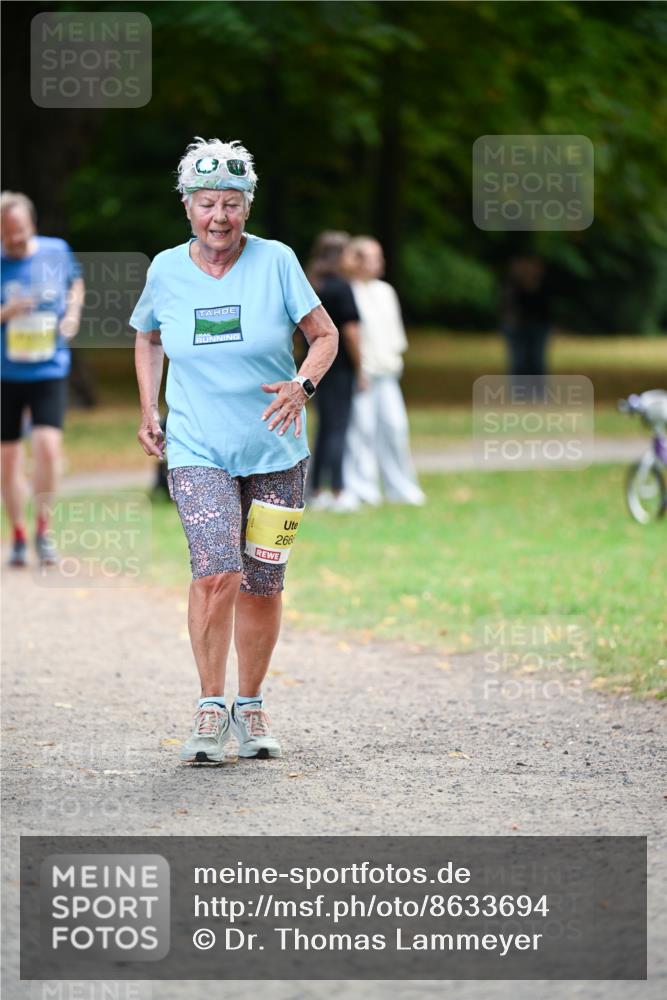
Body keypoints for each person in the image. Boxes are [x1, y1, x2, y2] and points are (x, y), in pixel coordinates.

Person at [131, 137, 338, 764]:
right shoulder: (166, 269)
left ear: (247, 207)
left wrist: (302, 386)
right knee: (216, 569)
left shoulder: (277, 261)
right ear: (187, 206)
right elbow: (149, 337)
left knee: (263, 582)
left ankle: (250, 705)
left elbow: (324, 336)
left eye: (230, 203)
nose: (218, 217)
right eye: (206, 203)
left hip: (277, 450)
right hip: (197, 447)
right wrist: (149, 408)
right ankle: (209, 704)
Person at [1, 191, 85, 566]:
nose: (14, 239)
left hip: (49, 368)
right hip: (6, 374)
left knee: (48, 448)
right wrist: (8, 312)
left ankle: (43, 529)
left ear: (31, 224)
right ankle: (18, 534)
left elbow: (76, 284)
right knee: (8, 460)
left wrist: (73, 316)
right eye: (6, 233)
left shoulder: (56, 251)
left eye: (19, 230)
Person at [341, 236, 425, 506]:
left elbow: (395, 335)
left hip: (387, 372)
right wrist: (359, 369)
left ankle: (401, 487)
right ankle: (363, 488)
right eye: (373, 257)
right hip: (362, 374)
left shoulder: (386, 291)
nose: (380, 262)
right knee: (361, 431)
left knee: (395, 428)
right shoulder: (348, 290)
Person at [306, 231, 363, 512]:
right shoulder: (342, 287)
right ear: (339, 256)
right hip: (340, 368)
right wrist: (361, 367)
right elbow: (350, 333)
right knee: (339, 428)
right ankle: (338, 490)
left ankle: (316, 489)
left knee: (323, 428)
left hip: (316, 367)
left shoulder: (313, 285)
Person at [500, 254, 552, 398]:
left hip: (539, 326)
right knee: (519, 361)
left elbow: (545, 308)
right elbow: (508, 307)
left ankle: (539, 393)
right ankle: (519, 393)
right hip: (516, 327)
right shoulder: (511, 284)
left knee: (537, 360)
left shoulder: (543, 284)